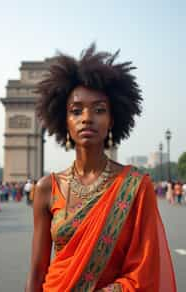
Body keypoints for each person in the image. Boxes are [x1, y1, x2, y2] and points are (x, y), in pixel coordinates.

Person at [25, 44, 176, 292]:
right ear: (64, 121)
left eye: (99, 110)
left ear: (112, 120)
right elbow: (37, 271)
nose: (87, 117)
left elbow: (146, 270)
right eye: (76, 111)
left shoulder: (136, 187)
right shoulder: (45, 188)